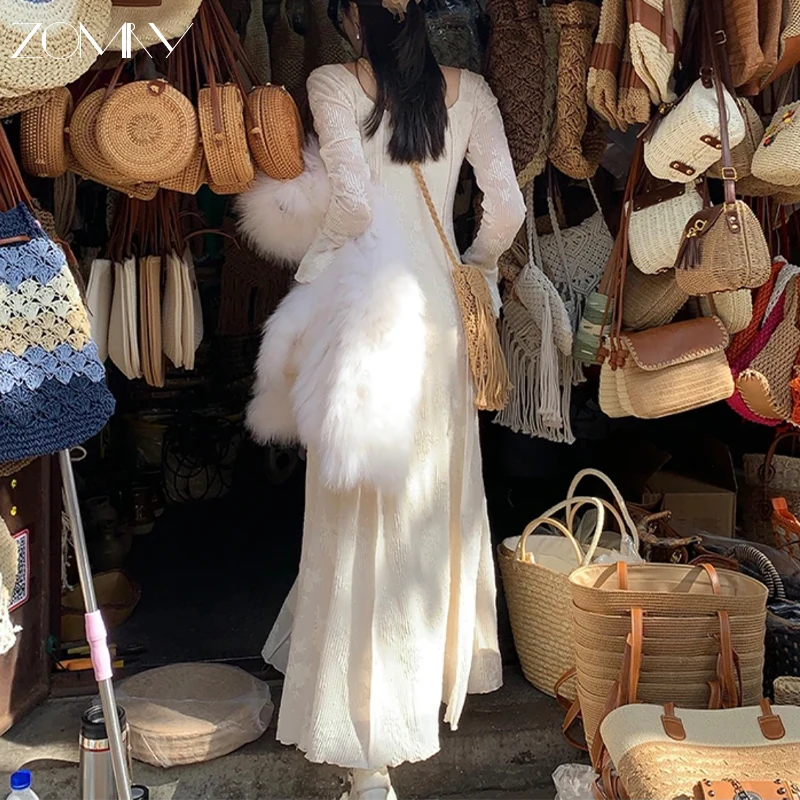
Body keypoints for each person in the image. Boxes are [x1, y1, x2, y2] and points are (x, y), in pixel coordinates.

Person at [262, 0, 525, 797]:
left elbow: (352, 205)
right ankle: (421, 688)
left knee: (356, 515)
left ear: (351, 14)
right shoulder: (471, 91)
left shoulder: (333, 84)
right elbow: (507, 210)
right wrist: (474, 270)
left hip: (365, 313)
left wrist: (310, 272)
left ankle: (368, 756)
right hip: (440, 322)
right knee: (427, 506)